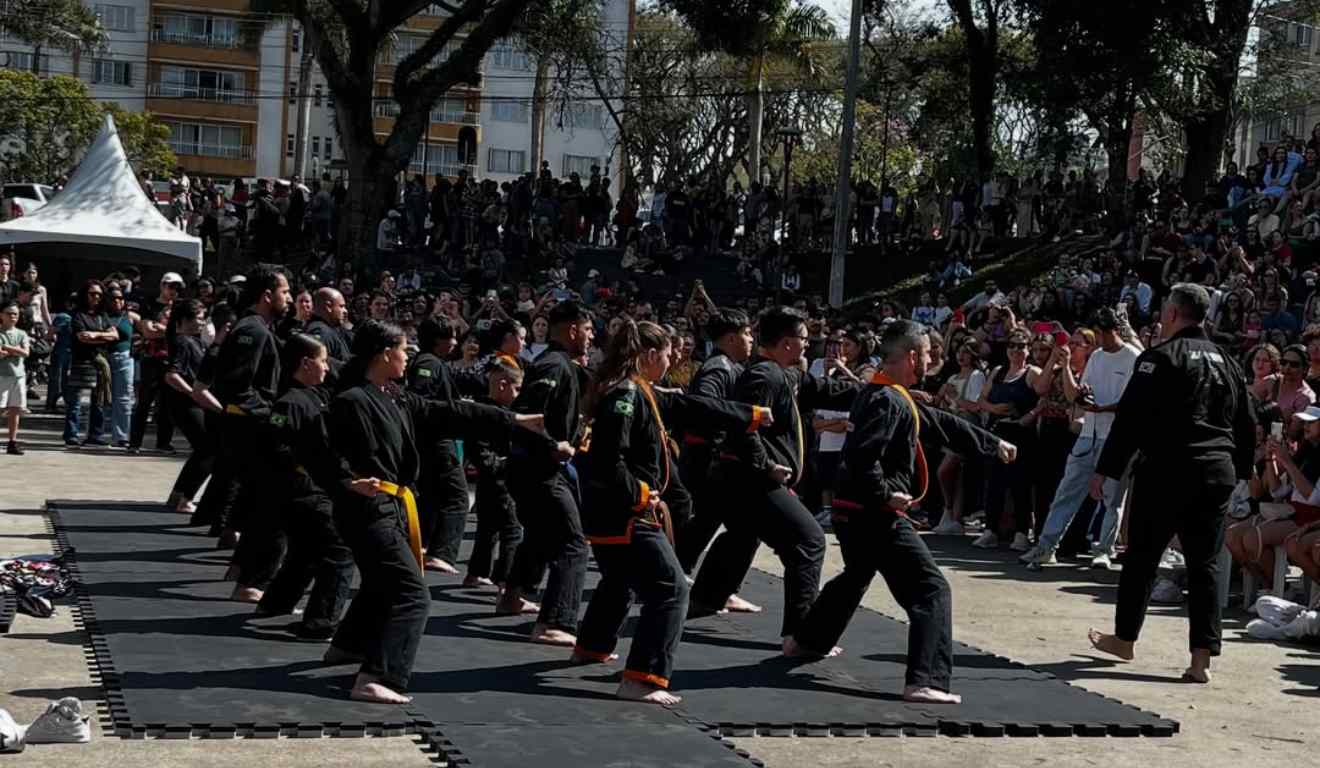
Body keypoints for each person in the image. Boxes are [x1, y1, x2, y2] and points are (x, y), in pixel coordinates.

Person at [318, 320, 562, 703]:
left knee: (384, 585)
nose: (407, 356)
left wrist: (514, 420)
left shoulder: (394, 395)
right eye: (403, 349)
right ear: (385, 354)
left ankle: (347, 647)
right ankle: (377, 676)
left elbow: (449, 412)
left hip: (391, 506)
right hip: (366, 508)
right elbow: (319, 450)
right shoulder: (352, 401)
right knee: (412, 594)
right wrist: (345, 482)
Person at [790, 320, 1015, 703]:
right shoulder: (886, 399)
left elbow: (939, 423)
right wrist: (885, 495)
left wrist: (991, 442)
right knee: (931, 590)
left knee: (856, 574)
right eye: (928, 353)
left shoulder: (885, 394)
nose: (932, 359)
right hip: (873, 515)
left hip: (854, 513)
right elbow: (862, 458)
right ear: (912, 356)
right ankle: (924, 679)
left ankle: (807, 641)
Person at [570, 319, 769, 705]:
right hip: (627, 513)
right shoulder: (625, 397)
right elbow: (606, 461)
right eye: (666, 354)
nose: (671, 360)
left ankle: (591, 647)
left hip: (615, 513)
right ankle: (642, 678)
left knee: (620, 579)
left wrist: (748, 414)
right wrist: (640, 494)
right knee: (670, 589)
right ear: (648, 355)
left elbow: (690, 404)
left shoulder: (639, 390)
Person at [1088, 284, 1256, 684]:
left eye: (1165, 310)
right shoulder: (1228, 362)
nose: (1162, 316)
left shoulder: (1159, 358)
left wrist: (1106, 470)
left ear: (1175, 314)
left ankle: (1125, 639)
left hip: (1168, 469)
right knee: (1205, 566)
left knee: (1142, 558)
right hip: (1217, 470)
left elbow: (1131, 420)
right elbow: (1247, 424)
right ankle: (1201, 661)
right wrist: (1244, 474)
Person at [688, 306, 860, 643]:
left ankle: (705, 597)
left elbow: (827, 390)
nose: (808, 347)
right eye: (804, 340)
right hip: (751, 480)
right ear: (786, 343)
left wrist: (878, 392)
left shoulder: (787, 374)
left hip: (747, 479)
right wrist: (765, 464)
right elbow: (743, 427)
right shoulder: (763, 376)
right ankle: (801, 634)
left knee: (742, 534)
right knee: (808, 541)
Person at [496, 300, 595, 645]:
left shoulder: (564, 364)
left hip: (535, 469)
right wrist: (555, 444)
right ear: (572, 329)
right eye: (587, 329)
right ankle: (555, 621)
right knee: (573, 543)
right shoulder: (553, 365)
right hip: (539, 470)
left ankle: (513, 595)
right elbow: (527, 415)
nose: (590, 336)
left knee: (540, 533)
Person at [192, 265, 291, 600]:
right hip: (248, 430)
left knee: (252, 502)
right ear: (268, 295)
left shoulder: (260, 328)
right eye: (285, 292)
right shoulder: (253, 330)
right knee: (268, 506)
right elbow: (237, 387)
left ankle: (240, 570)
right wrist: (272, 416)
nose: (288, 298)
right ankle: (250, 581)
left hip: (247, 428)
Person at [252, 334, 355, 641]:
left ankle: (276, 602)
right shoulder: (289, 402)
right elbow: (276, 447)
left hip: (309, 489)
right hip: (302, 492)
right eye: (323, 361)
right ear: (307, 363)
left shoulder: (316, 396)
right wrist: (306, 470)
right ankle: (320, 621)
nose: (327, 367)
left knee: (306, 551)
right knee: (339, 549)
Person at [1019, 312, 1139, 568]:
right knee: (1066, 492)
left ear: (1110, 331)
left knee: (1112, 498)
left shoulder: (1133, 358)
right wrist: (1081, 395)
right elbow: (1077, 395)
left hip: (1116, 440)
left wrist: (1103, 408)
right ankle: (1046, 547)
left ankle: (1103, 551)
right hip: (1087, 437)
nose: (1095, 339)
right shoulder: (1095, 357)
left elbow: (1133, 404)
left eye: (1097, 333)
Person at [406, 316, 476, 574]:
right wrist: (452, 410)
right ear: (438, 340)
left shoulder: (437, 364)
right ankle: (442, 552)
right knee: (457, 496)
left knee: (432, 496)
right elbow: (419, 399)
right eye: (451, 337)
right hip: (435, 441)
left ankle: (422, 546)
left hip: (429, 441)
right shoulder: (428, 363)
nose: (455, 342)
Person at [465, 357, 526, 588]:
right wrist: (503, 465)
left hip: (488, 479)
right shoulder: (494, 414)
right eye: (517, 388)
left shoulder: (482, 409)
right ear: (502, 385)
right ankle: (506, 581)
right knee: (512, 529)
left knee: (488, 528)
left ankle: (476, 573)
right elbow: (481, 449)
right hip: (501, 478)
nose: (519, 394)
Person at [162, 299, 211, 514]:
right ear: (184, 320)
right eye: (199, 318)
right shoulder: (182, 342)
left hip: (194, 403)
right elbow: (172, 375)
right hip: (185, 405)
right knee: (209, 449)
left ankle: (178, 495)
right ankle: (186, 498)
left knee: (202, 449)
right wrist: (193, 393)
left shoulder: (196, 342)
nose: (202, 323)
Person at [129, 273, 182, 453]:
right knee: (144, 403)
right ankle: (134, 443)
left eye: (178, 287)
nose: (174, 290)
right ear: (162, 285)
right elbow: (148, 331)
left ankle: (163, 443)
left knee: (168, 405)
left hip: (172, 359)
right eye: (171, 286)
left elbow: (184, 332)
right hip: (151, 358)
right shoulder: (149, 305)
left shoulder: (181, 307)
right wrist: (171, 331)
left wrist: (163, 329)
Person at [64, 281, 117, 447]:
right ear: (85, 295)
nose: (96, 297)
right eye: (92, 294)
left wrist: (94, 335)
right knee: (75, 402)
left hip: (100, 362)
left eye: (99, 294)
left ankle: (95, 435)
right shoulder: (77, 314)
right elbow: (81, 337)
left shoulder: (103, 316)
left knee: (98, 401)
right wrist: (102, 337)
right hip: (81, 361)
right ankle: (71, 435)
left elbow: (114, 335)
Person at [104, 287, 136, 447]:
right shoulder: (100, 316)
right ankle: (98, 435)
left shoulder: (129, 317)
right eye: (113, 298)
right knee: (102, 398)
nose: (117, 301)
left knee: (123, 398)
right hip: (104, 358)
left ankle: (122, 436)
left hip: (124, 358)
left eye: (121, 298)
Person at [0, 302, 29, 455]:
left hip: (18, 376)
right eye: (9, 313)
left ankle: (12, 441)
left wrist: (7, 348)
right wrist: (16, 350)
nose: (12, 316)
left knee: (15, 410)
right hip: (1, 375)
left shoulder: (22, 334)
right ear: (1, 315)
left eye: (15, 314)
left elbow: (26, 353)